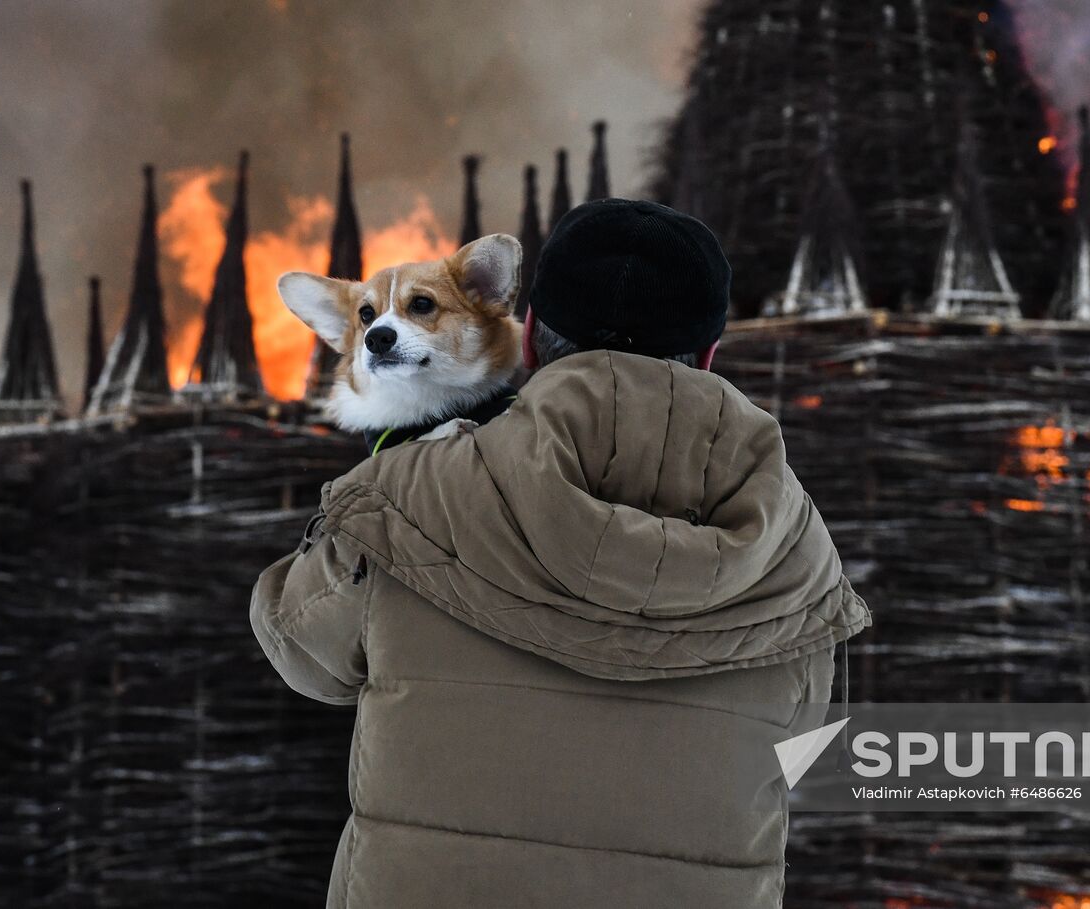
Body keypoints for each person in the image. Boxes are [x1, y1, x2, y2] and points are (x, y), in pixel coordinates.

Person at [251, 199, 870, 908]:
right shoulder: (798, 553)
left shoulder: (409, 493)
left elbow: (300, 653)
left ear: (532, 341)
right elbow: (807, 745)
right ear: (707, 357)